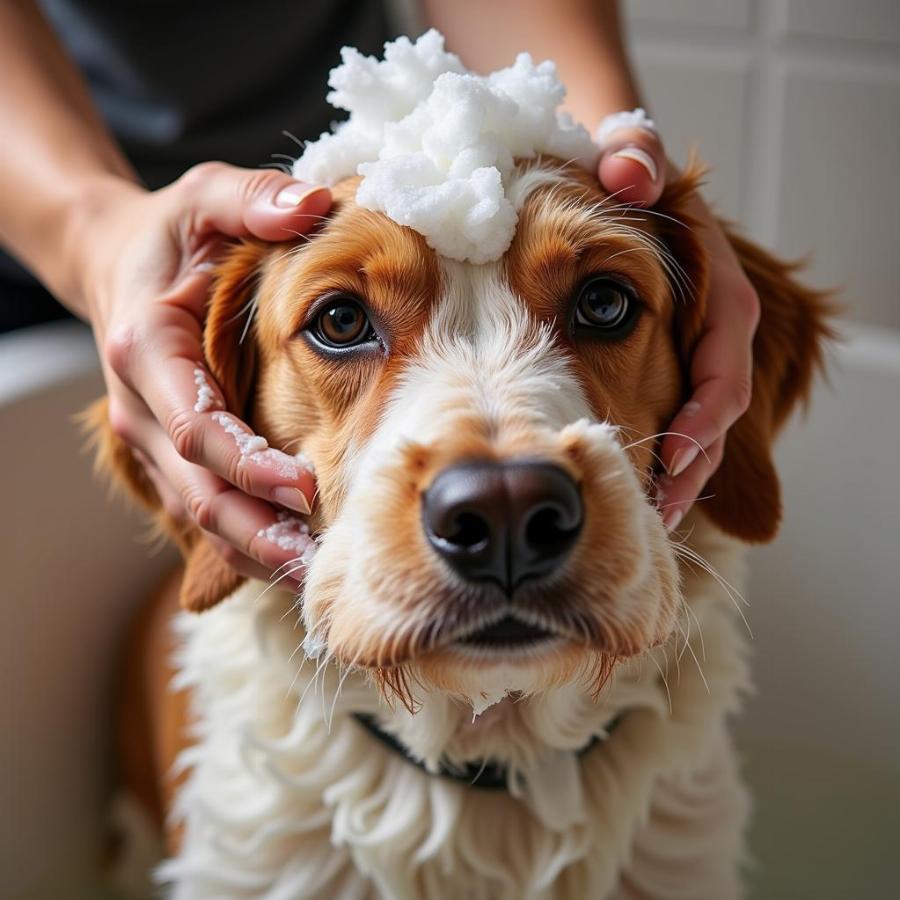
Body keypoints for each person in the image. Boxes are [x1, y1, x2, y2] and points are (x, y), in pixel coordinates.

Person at [0, 0, 759, 588]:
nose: (501, 504)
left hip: (353, 146)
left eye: (602, 305)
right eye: (342, 321)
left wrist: (609, 155)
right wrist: (86, 227)